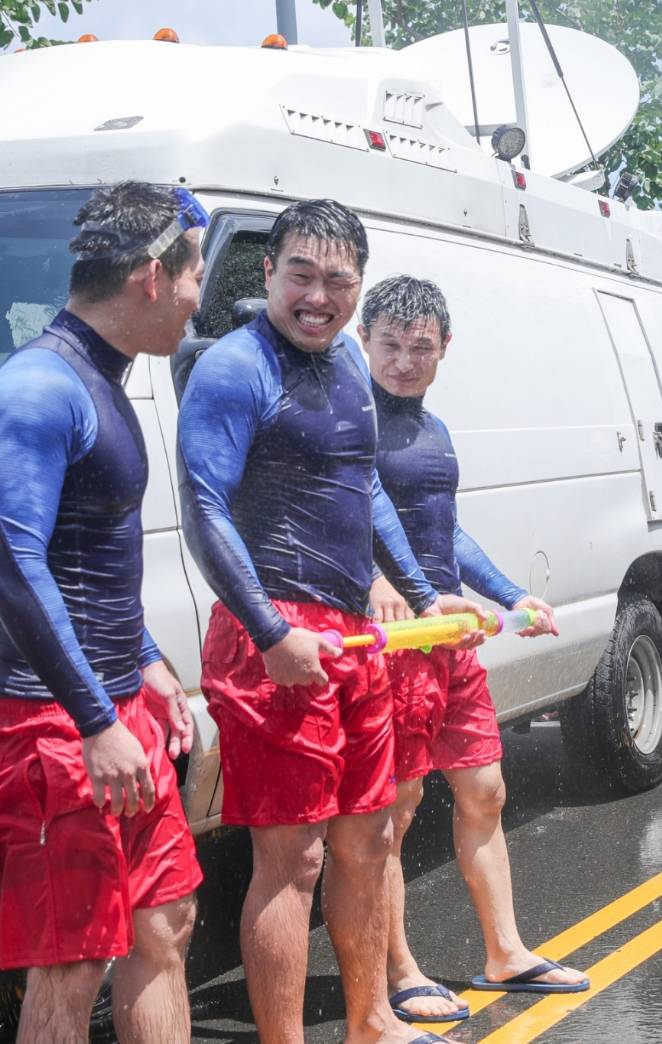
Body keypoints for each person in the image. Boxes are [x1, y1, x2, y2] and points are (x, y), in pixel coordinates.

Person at [178, 199, 480, 1044]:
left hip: (351, 633)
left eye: (338, 280)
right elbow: (204, 509)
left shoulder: (348, 359)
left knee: (370, 839)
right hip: (273, 634)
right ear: (267, 272)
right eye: (300, 276)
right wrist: (270, 632)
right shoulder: (234, 368)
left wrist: (423, 594)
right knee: (294, 858)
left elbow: (366, 487)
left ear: (358, 284)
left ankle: (371, 1021)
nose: (318, 297)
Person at [0, 182, 205, 1043]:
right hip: (54, 722)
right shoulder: (39, 386)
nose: (197, 302)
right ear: (153, 277)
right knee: (72, 961)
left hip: (115, 702)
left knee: (165, 921)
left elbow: (87, 559)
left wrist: (146, 660)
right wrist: (93, 719)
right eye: (195, 277)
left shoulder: (102, 379)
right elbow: (14, 563)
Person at [352, 275, 585, 1020]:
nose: (404, 362)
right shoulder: (350, 422)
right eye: (390, 345)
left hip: (450, 638)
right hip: (394, 643)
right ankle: (400, 971)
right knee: (393, 812)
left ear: (445, 347)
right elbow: (342, 524)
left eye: (420, 347)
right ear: (363, 340)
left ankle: (504, 952)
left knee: (486, 791)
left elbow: (445, 531)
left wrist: (512, 594)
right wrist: (387, 588)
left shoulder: (436, 431)